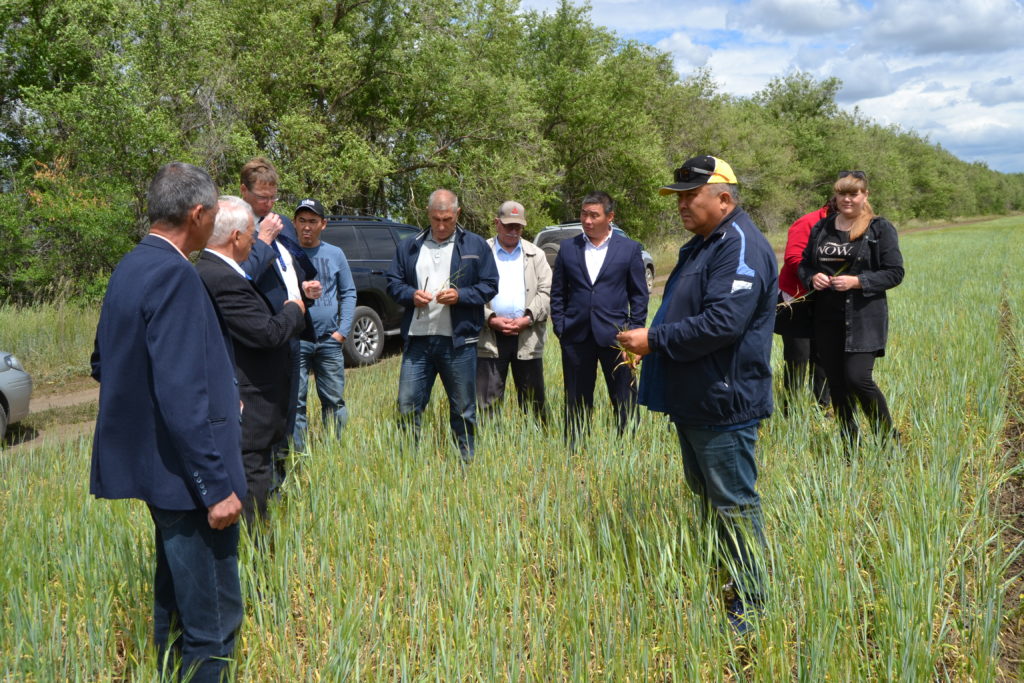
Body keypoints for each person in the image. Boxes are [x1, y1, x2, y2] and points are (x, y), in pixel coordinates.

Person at [90, 163, 246, 680]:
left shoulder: (132, 265)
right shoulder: (177, 275)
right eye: (215, 211)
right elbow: (182, 396)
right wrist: (215, 485)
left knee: (173, 611)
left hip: (159, 474)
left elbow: (103, 363)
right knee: (214, 627)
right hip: (190, 482)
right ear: (198, 214)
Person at [617, 155, 776, 634]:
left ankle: (751, 604)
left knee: (733, 503)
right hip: (694, 397)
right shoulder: (701, 246)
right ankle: (724, 576)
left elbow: (724, 323)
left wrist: (654, 340)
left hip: (723, 401)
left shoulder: (741, 246)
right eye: (679, 196)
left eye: (691, 195)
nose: (682, 204)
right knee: (708, 499)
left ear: (724, 198)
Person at [196, 196, 307, 525]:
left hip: (247, 405)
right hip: (250, 408)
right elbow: (268, 334)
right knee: (253, 493)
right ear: (236, 237)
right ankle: (259, 565)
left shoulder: (212, 271)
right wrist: (294, 308)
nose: (255, 242)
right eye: (251, 235)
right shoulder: (222, 278)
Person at [386, 189, 498, 463]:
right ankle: (408, 464)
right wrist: (411, 295)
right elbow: (393, 282)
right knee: (407, 406)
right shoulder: (410, 245)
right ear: (428, 214)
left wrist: (461, 296)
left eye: (447, 219)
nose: (441, 225)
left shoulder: (475, 246)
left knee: (463, 409)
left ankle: (465, 463)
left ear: (457, 214)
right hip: (418, 341)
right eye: (436, 219)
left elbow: (490, 285)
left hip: (458, 342)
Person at [798, 170, 904, 447]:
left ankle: (888, 440)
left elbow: (895, 273)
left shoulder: (879, 228)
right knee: (837, 385)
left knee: (858, 379)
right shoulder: (822, 228)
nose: (847, 199)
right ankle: (850, 446)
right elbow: (804, 264)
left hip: (863, 318)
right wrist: (812, 277)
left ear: (865, 195)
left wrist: (859, 281)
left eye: (853, 193)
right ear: (835, 195)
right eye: (842, 193)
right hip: (826, 318)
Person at [238, 158, 321, 483]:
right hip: (263, 338)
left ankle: (282, 482)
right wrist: (263, 239)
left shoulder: (280, 222)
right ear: (244, 191)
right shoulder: (238, 227)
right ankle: (263, 489)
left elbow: (287, 269)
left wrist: (304, 288)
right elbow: (241, 277)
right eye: (261, 197)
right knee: (265, 420)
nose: (269, 204)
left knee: (289, 413)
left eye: (273, 197)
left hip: (292, 334)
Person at [550, 191, 648, 441]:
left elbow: (639, 296)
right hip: (576, 336)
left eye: (594, 215)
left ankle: (628, 447)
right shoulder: (568, 248)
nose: (587, 220)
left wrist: (634, 334)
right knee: (576, 399)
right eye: (584, 214)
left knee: (624, 398)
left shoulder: (628, 249)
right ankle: (576, 449)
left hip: (617, 338)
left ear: (610, 217)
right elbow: (558, 293)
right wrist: (561, 328)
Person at [476, 201, 552, 419]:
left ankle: (535, 444)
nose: (513, 231)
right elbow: (470, 292)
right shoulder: (481, 252)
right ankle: (491, 446)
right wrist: (490, 319)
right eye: (508, 225)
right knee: (487, 404)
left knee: (533, 403)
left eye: (518, 227)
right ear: (497, 223)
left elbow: (547, 292)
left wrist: (527, 318)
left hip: (527, 335)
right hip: (490, 337)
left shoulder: (536, 255)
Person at [292, 198, 357, 451]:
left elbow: (349, 293)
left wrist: (342, 332)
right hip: (297, 339)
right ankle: (300, 455)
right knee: (296, 402)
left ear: (323, 224)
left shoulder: (335, 254)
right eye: (302, 221)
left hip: (329, 341)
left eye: (312, 221)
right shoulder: (286, 253)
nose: (306, 227)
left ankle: (334, 452)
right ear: (295, 223)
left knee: (334, 400)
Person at [775, 199, 834, 410]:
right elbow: (792, 257)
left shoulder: (851, 223)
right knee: (797, 357)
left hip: (826, 299)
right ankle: (791, 409)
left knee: (824, 355)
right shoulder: (807, 222)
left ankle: (822, 408)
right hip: (796, 297)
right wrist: (813, 275)